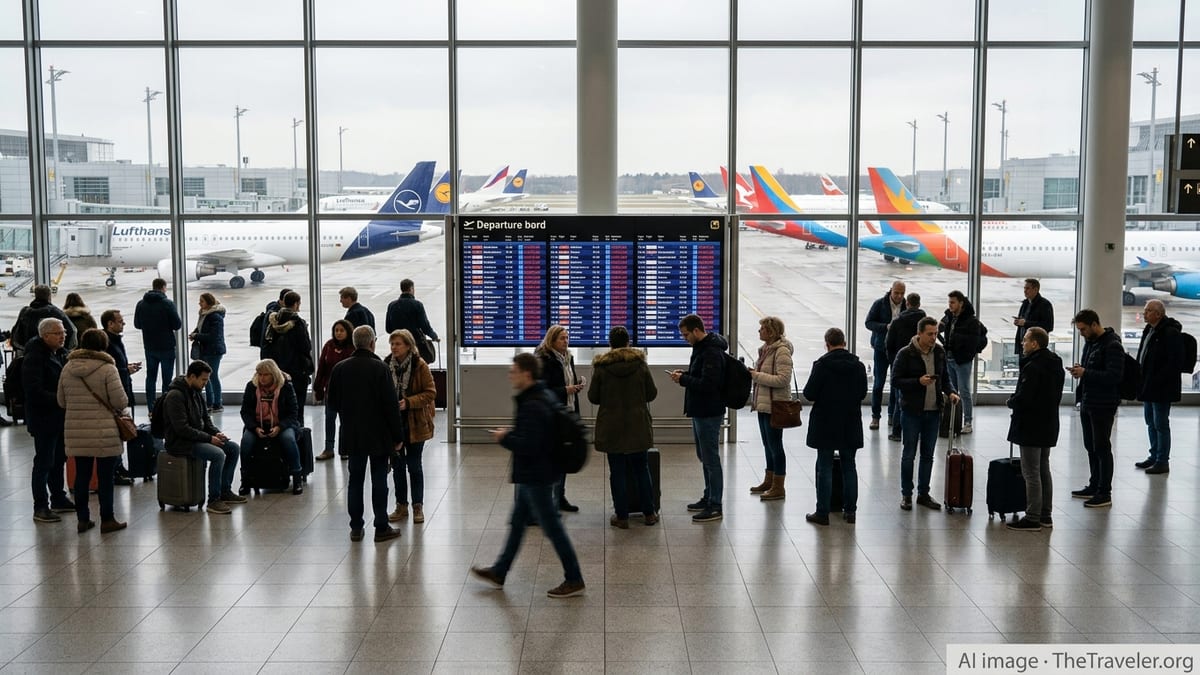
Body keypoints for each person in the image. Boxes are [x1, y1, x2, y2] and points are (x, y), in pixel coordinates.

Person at [470, 353, 586, 599]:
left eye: (514, 371)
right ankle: (500, 571)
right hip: (532, 474)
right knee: (517, 524)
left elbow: (531, 445)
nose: (510, 375)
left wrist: (505, 437)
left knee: (552, 527)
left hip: (537, 475)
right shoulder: (537, 397)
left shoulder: (533, 404)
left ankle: (574, 578)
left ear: (526, 373)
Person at [327, 326, 404, 543]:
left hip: (352, 433)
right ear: (372, 343)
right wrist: (398, 437)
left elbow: (331, 403)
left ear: (354, 342)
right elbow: (391, 406)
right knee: (379, 479)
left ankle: (356, 528)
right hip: (378, 435)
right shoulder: (380, 368)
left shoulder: (340, 368)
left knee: (355, 480)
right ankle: (381, 526)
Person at [56, 328, 129, 534]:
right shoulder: (108, 369)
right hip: (104, 430)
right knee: (105, 478)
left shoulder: (68, 368)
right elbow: (120, 401)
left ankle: (83, 519)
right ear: (103, 345)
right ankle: (107, 519)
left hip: (76, 430)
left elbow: (61, 401)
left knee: (82, 476)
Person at [588, 326, 658, 528]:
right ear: (628, 342)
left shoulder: (602, 367)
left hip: (612, 427)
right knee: (641, 469)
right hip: (638, 425)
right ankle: (649, 513)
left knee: (617, 472)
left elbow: (593, 397)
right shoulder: (640, 365)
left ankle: (622, 516)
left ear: (610, 344)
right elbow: (651, 394)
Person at [892, 317, 960, 511]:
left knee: (928, 455)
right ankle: (906, 494)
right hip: (912, 411)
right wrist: (917, 382)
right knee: (909, 454)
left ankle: (923, 493)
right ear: (919, 333)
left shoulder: (939, 352)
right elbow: (896, 380)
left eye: (936, 333)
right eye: (930, 334)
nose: (933, 337)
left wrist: (951, 392)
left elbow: (945, 378)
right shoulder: (906, 354)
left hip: (933, 411)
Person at [802, 327, 867, 525]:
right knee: (849, 466)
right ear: (844, 343)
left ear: (827, 344)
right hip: (850, 421)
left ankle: (822, 512)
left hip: (825, 421)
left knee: (825, 466)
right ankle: (850, 512)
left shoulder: (822, 365)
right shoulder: (858, 366)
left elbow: (809, 393)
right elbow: (863, 393)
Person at [162, 360, 245, 515]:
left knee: (232, 448)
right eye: (203, 380)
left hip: (197, 438)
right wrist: (209, 438)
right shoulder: (175, 396)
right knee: (217, 455)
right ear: (192, 376)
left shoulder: (196, 393)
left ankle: (224, 490)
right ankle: (213, 500)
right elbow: (182, 429)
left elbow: (206, 420)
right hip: (181, 442)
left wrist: (215, 433)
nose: (206, 383)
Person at [1006, 327, 1065, 531]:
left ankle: (1032, 517)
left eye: (1025, 340)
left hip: (1031, 425)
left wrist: (1011, 402)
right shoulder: (1056, 364)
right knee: (1043, 468)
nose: (1022, 344)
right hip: (1048, 423)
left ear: (1035, 344)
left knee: (1030, 472)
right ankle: (1045, 515)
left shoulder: (1033, 367)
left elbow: (1025, 397)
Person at [669, 313, 726, 523]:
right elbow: (701, 375)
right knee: (705, 457)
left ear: (696, 330)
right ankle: (708, 496)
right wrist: (684, 374)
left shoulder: (711, 351)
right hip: (700, 410)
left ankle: (715, 505)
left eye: (686, 335)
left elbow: (709, 384)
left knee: (711, 459)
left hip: (708, 411)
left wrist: (683, 379)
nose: (685, 339)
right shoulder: (702, 349)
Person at [1068, 309, 1124, 509]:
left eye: (1083, 329)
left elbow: (1113, 377)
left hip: (1103, 404)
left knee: (1102, 447)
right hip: (1088, 401)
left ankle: (1104, 491)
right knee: (1090, 446)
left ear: (1094, 324)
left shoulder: (1112, 345)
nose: (1081, 333)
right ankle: (1094, 484)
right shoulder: (1091, 344)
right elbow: (1090, 370)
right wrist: (1080, 372)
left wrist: (1086, 372)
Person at [23, 318, 74, 523]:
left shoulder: (60, 354)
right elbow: (33, 391)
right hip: (43, 418)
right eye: (58, 333)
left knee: (59, 458)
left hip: (59, 416)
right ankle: (40, 506)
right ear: (45, 336)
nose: (63, 336)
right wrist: (60, 399)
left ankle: (58, 497)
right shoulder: (34, 357)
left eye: (63, 332)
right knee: (44, 461)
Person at [383, 329, 437, 525]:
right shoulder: (386, 365)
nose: (394, 348)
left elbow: (430, 393)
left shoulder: (419, 366)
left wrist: (409, 402)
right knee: (397, 466)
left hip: (415, 422)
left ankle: (418, 506)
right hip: (394, 423)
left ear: (408, 345)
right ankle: (401, 505)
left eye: (397, 344)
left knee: (414, 465)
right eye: (392, 344)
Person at [239, 359, 305, 496]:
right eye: (259, 374)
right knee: (246, 442)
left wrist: (280, 427)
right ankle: (245, 479)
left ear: (273, 374)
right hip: (257, 425)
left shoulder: (285, 387)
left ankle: (297, 476)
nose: (261, 378)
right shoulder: (251, 387)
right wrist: (254, 427)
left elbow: (293, 412)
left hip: (283, 424)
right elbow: (245, 411)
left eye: (265, 375)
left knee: (288, 439)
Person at [535, 325, 583, 512]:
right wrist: (565, 390)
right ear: (552, 340)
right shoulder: (544, 360)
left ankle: (560, 497)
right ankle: (547, 501)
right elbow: (543, 390)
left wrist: (576, 386)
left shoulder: (568, 358)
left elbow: (567, 382)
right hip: (551, 415)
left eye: (567, 337)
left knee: (563, 458)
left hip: (567, 412)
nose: (566, 341)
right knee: (551, 460)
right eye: (562, 338)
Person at [746, 316, 793, 501]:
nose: (759, 331)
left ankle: (779, 486)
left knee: (775, 445)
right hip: (764, 404)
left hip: (775, 404)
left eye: (762, 329)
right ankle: (769, 479)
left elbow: (783, 379)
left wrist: (756, 375)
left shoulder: (781, 351)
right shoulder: (765, 350)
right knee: (767, 444)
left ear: (771, 332)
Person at [1135, 299, 1183, 475]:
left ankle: (1162, 460)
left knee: (1161, 423)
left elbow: (1173, 363)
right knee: (1150, 422)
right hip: (1148, 384)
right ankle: (1154, 455)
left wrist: (1157, 379)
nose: (1144, 313)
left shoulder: (1170, 333)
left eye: (1148, 311)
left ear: (1158, 314)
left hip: (1161, 388)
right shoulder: (1149, 330)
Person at [102, 309, 141, 485]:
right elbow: (109, 370)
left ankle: (119, 466)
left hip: (122, 389)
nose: (123, 323)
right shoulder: (109, 343)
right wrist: (126, 370)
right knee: (118, 430)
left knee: (122, 430)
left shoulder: (116, 341)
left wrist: (127, 367)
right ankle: (115, 469)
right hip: (116, 393)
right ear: (110, 324)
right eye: (120, 321)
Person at [261, 290, 314, 420]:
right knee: (297, 407)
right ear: (296, 304)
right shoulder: (297, 322)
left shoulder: (273, 320)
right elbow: (306, 346)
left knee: (280, 406)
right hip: (296, 370)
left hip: (278, 370)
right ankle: (297, 433)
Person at [938, 290, 985, 434]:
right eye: (949, 302)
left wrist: (968, 353)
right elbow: (940, 330)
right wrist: (945, 345)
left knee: (964, 391)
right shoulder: (949, 317)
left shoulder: (971, 321)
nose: (950, 305)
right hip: (950, 358)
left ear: (961, 303)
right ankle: (953, 421)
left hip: (962, 361)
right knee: (952, 391)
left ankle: (968, 421)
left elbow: (978, 339)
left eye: (953, 302)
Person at [134, 278, 182, 414]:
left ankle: (151, 408)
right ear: (163, 287)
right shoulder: (167, 304)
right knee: (167, 380)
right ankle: (165, 409)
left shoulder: (141, 304)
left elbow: (137, 324)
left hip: (149, 346)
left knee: (151, 377)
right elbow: (177, 324)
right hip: (166, 346)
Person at [864, 281, 906, 431]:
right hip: (881, 349)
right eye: (897, 293)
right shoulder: (879, 304)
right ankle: (876, 416)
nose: (899, 296)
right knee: (878, 384)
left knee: (896, 385)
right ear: (891, 291)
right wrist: (885, 327)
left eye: (902, 293)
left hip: (898, 351)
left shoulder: (906, 306)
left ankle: (891, 415)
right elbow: (868, 323)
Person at [885, 292, 925, 441]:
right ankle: (918, 432)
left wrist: (893, 361)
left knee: (898, 399)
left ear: (907, 303)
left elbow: (888, 344)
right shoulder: (924, 321)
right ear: (919, 304)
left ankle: (897, 432)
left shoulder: (897, 321)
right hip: (920, 364)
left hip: (900, 363)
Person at [312, 320, 355, 461]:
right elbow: (322, 368)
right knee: (329, 419)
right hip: (330, 391)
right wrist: (318, 387)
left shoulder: (353, 347)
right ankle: (329, 449)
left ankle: (345, 449)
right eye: (336, 330)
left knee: (345, 421)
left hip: (347, 392)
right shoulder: (329, 345)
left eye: (342, 330)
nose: (339, 333)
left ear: (348, 331)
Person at [11, 284, 76, 356]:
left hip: (29, 353)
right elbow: (72, 331)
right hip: (51, 354)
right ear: (49, 296)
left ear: (35, 295)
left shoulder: (25, 312)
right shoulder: (56, 312)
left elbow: (16, 333)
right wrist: (62, 350)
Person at [385, 278, 439, 363]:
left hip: (398, 344)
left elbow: (388, 328)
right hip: (415, 343)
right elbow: (425, 326)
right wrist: (434, 336)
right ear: (411, 289)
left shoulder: (392, 305)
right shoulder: (417, 305)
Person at [189, 292, 227, 412]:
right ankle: (210, 402)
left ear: (208, 302)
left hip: (214, 350)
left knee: (213, 376)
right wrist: (195, 333)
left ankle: (217, 402)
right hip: (206, 349)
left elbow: (213, 336)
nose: (199, 303)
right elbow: (201, 328)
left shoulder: (215, 316)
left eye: (202, 301)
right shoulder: (204, 314)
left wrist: (197, 336)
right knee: (208, 377)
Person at [1013, 278, 1054, 347]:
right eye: (1024, 288)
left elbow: (1048, 326)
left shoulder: (1045, 304)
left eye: (1028, 288)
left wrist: (1026, 323)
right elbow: (1023, 323)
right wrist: (1018, 322)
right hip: (1023, 345)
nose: (1025, 291)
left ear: (1036, 289)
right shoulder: (1025, 303)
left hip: (1035, 346)